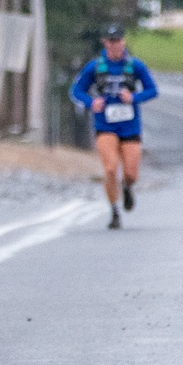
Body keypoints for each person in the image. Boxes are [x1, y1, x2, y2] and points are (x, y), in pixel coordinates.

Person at [69, 23, 158, 229]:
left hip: (130, 127)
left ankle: (127, 187)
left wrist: (133, 97)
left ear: (123, 42)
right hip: (105, 125)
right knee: (110, 169)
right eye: (110, 42)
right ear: (105, 43)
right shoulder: (95, 67)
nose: (114, 45)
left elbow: (152, 90)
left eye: (117, 41)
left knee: (131, 173)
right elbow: (76, 90)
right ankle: (114, 210)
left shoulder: (135, 66)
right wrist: (92, 102)